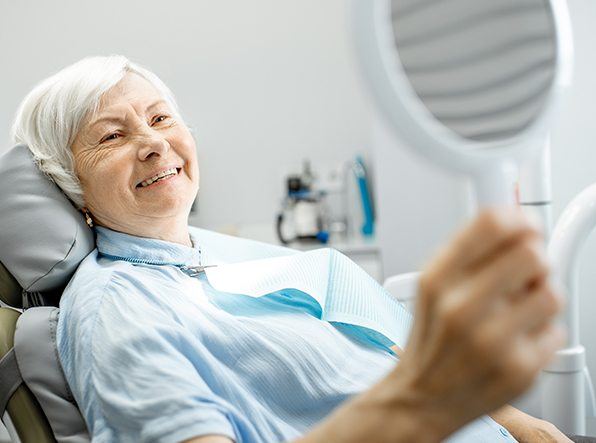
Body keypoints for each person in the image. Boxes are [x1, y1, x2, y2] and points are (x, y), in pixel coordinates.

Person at [11, 55, 576, 443]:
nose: (155, 142)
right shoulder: (117, 307)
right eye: (113, 135)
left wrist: (512, 418)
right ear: (69, 184)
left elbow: (387, 352)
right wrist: (426, 397)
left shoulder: (214, 255)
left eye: (161, 119)